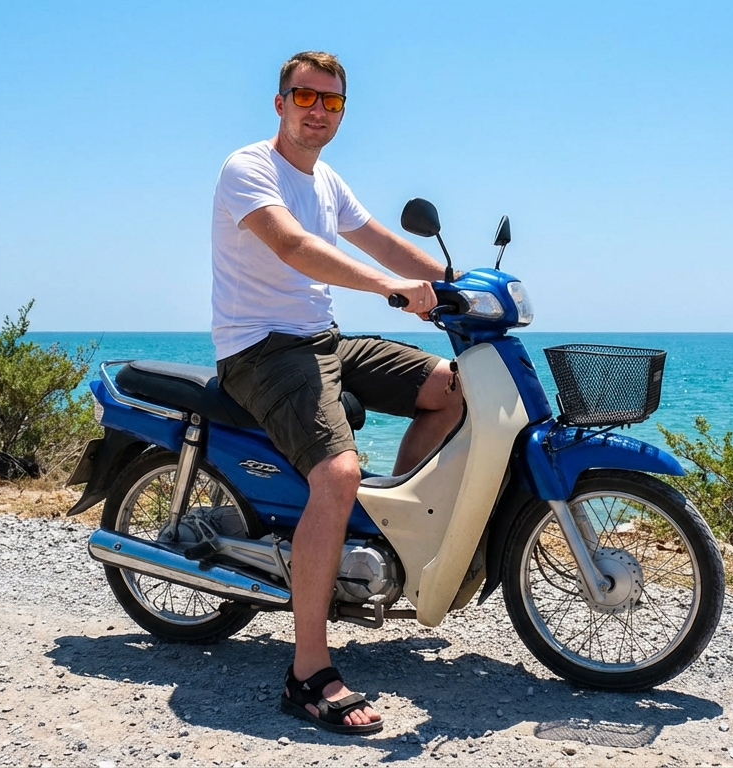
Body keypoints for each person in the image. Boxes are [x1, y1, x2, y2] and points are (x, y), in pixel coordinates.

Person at [210, 51, 463, 734]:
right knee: (338, 471)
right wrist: (389, 290)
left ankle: (390, 534)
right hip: (260, 348)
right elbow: (294, 247)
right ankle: (307, 671)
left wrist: (458, 282)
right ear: (280, 103)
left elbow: (379, 239)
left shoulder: (326, 179)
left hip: (322, 339)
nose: (317, 110)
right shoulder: (249, 170)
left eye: (331, 102)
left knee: (449, 387)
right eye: (305, 96)